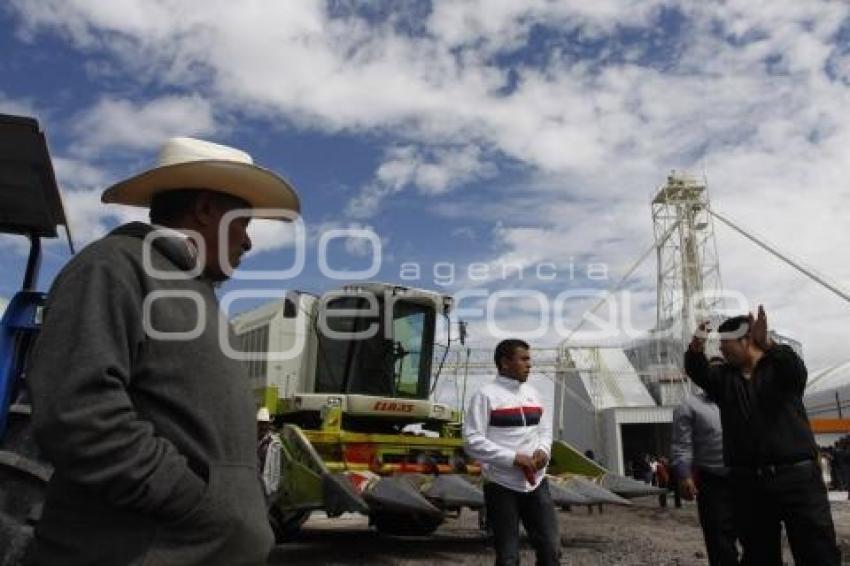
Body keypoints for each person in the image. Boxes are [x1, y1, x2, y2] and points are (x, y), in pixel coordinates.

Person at [27, 136, 300, 565]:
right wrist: (196, 503)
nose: (247, 243)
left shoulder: (200, 299)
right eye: (243, 223)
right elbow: (79, 416)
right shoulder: (113, 267)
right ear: (206, 209)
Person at [685, 308, 840, 565]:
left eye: (726, 343)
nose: (721, 350)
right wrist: (696, 344)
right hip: (749, 484)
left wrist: (768, 343)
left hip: (798, 480)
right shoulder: (724, 380)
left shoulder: (780, 371)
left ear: (746, 341)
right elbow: (698, 370)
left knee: (817, 551)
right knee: (758, 555)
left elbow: (795, 369)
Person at [463, 339, 559, 566]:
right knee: (508, 557)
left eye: (529, 359)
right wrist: (513, 458)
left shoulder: (534, 394)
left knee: (550, 551)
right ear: (505, 363)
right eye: (524, 359)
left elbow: (544, 430)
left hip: (536, 483)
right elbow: (471, 441)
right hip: (501, 485)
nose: (530, 365)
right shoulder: (485, 396)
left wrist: (543, 450)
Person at [671, 382, 738, 565]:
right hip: (715, 484)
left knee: (759, 542)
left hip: (749, 480)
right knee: (720, 545)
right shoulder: (689, 406)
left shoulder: (746, 399)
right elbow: (682, 445)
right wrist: (685, 475)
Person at [257, 407, 282, 503]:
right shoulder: (253, 439)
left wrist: (273, 486)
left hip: (266, 483)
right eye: (260, 423)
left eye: (265, 423)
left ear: (268, 425)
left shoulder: (274, 443)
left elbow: (276, 466)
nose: (262, 426)